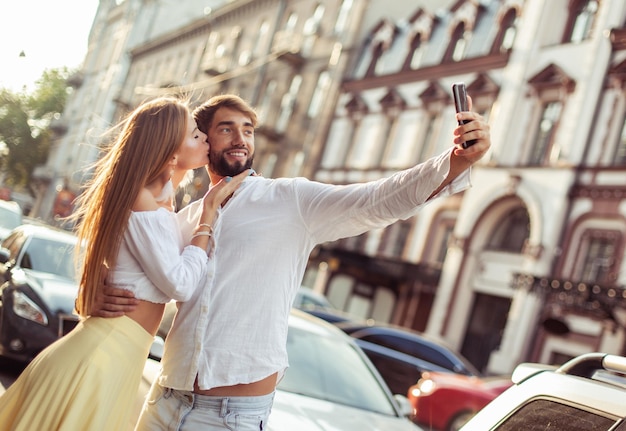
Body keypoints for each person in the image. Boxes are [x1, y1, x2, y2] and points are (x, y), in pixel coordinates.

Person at [96, 94, 492, 431]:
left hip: (231, 416)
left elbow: (377, 199)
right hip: (164, 399)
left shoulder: (291, 200)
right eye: (226, 129)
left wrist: (455, 160)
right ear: (203, 143)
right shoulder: (185, 218)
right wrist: (102, 298)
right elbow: (148, 278)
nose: (240, 139)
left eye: (248, 130)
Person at [0, 97, 250, 431]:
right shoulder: (144, 200)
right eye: (195, 135)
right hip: (101, 358)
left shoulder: (159, 203)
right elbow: (180, 284)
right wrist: (208, 214)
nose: (205, 138)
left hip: (116, 355)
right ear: (171, 151)